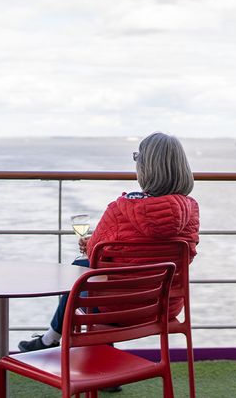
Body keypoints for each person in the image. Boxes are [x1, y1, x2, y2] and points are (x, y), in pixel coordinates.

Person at [18, 132, 199, 390]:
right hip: (164, 307)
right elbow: (187, 256)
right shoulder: (191, 210)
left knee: (82, 272)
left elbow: (94, 257)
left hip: (118, 310)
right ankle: (75, 352)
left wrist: (96, 245)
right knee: (91, 275)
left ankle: (58, 343)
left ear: (146, 167)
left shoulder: (120, 209)